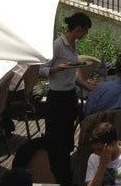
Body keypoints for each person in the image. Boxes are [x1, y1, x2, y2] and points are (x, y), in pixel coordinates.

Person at [40, 12, 95, 186]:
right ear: (78, 29)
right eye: (84, 31)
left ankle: (67, 171)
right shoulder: (58, 45)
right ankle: (58, 174)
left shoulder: (74, 46)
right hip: (57, 97)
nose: (84, 35)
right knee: (57, 139)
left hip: (70, 95)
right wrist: (59, 68)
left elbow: (73, 73)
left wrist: (87, 86)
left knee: (67, 136)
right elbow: (42, 70)